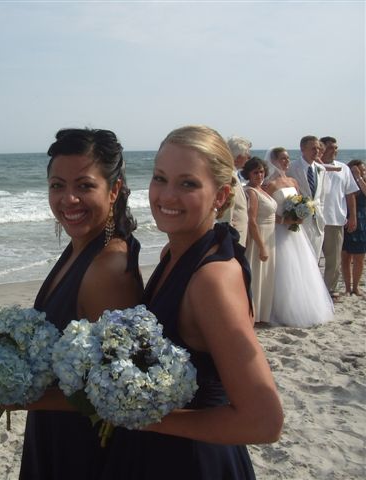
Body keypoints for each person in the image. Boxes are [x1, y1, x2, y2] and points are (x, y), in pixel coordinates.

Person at [101, 125, 283, 479]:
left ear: (221, 194)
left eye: (188, 183)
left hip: (193, 461)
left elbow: (264, 422)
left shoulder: (211, 279)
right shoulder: (175, 252)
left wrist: (141, 418)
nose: (167, 195)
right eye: (160, 178)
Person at [19, 128, 143, 480]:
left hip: (83, 448)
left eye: (85, 186)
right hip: (57, 431)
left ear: (114, 190)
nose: (68, 199)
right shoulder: (83, 247)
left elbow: (116, 393)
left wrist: (22, 396)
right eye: (57, 186)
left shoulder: (109, 269)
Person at [264, 147, 334, 327]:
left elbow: (301, 200)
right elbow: (266, 211)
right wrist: (284, 220)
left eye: (288, 158)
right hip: (279, 231)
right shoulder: (270, 184)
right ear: (274, 161)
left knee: (301, 267)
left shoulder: (293, 182)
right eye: (282, 158)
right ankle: (280, 309)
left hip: (295, 231)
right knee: (283, 269)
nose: (286, 162)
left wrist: (301, 213)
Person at [319, 137, 358, 299]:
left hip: (335, 219)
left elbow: (350, 194)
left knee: (333, 260)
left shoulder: (343, 168)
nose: (334, 151)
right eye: (330, 148)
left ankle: (329, 289)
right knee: (312, 258)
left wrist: (353, 217)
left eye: (336, 148)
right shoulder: (313, 167)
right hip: (314, 220)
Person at [241, 157, 277, 324]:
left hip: (271, 235)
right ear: (248, 174)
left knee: (266, 276)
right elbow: (252, 221)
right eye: (255, 172)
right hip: (259, 236)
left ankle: (263, 313)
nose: (259, 175)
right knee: (257, 275)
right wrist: (261, 246)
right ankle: (253, 314)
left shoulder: (262, 190)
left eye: (261, 171)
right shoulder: (251, 192)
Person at [287, 135, 327, 260]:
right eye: (313, 148)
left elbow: (322, 195)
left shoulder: (321, 169)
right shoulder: (292, 168)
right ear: (303, 149)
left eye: (318, 148)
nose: (317, 151)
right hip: (300, 219)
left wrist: (321, 213)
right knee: (301, 258)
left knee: (315, 258)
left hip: (318, 220)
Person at [218, 135, 251, 246]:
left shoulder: (234, 174)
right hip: (234, 237)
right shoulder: (229, 176)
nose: (248, 158)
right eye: (246, 155)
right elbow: (227, 211)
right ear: (238, 158)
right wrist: (228, 238)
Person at [341, 159, 366, 296]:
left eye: (363, 170)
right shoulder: (345, 183)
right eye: (357, 170)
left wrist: (359, 177)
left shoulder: (363, 182)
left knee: (359, 257)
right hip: (345, 219)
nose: (362, 172)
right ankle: (347, 287)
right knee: (345, 257)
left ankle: (355, 286)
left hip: (362, 222)